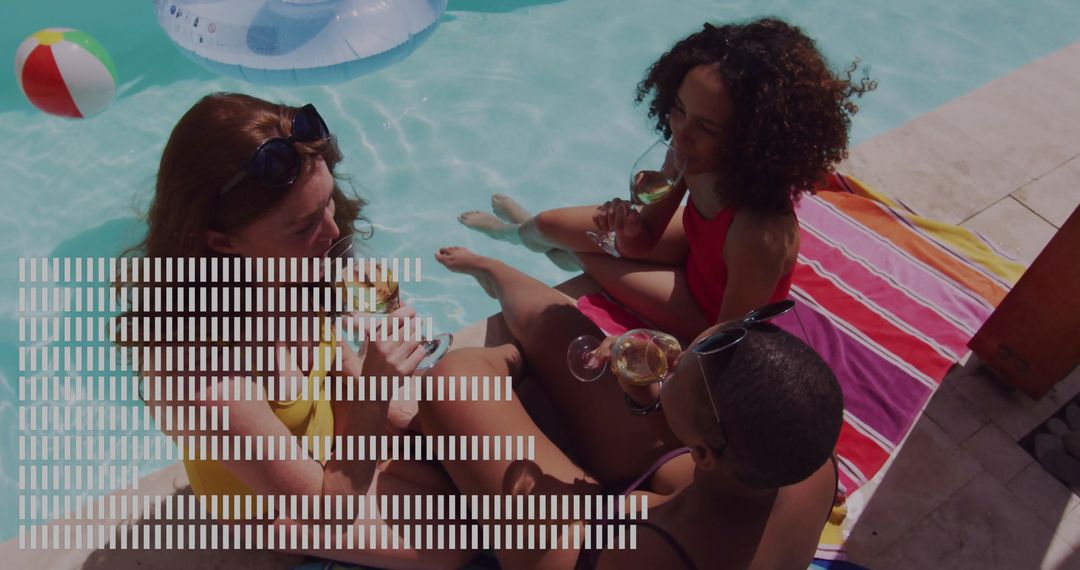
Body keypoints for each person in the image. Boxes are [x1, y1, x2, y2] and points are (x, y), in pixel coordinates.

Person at [116, 93, 470, 569]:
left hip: (326, 441)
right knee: (452, 547)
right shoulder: (199, 374)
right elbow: (327, 511)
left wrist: (389, 388)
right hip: (279, 503)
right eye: (303, 225)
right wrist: (377, 388)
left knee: (469, 450)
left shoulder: (288, 269)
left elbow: (335, 365)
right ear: (222, 243)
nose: (331, 233)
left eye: (327, 204)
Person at [421, 248, 844, 569]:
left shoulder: (647, 551)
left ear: (702, 452)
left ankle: (511, 359)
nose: (667, 355)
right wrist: (650, 402)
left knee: (454, 378)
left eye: (677, 370)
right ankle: (498, 276)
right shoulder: (810, 456)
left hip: (594, 552)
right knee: (565, 331)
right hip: (682, 499)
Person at [459, 18, 874, 340]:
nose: (681, 133)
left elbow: (728, 338)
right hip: (693, 250)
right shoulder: (690, 151)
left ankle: (549, 251)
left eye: (706, 127)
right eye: (677, 109)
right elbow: (642, 241)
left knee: (588, 256)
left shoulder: (758, 233)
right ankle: (513, 233)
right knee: (549, 225)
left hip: (704, 309)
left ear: (756, 139)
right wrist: (628, 224)